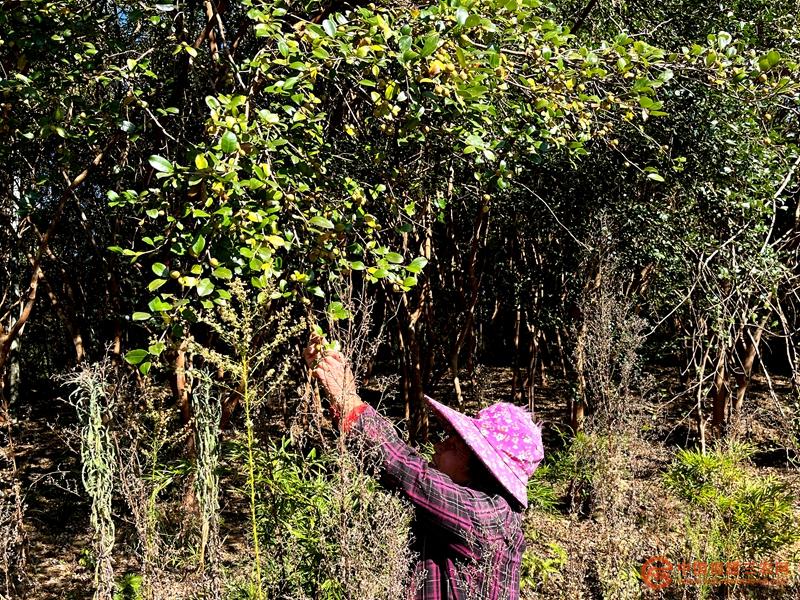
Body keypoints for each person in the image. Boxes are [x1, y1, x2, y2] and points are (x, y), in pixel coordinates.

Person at [304, 338, 544, 600]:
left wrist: (347, 400)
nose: (438, 447)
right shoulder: (471, 511)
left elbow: (411, 475)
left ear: (481, 469)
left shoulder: (490, 517)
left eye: (453, 446)